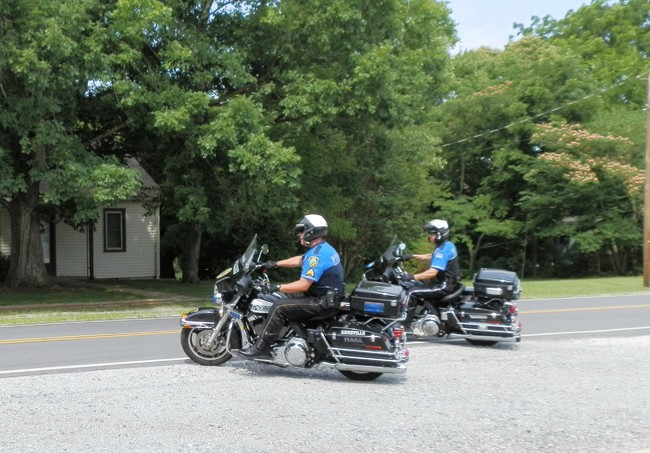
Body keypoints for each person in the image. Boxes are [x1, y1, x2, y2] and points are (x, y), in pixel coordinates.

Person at [239, 214, 344, 359]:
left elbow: (303, 285)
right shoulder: (322, 249)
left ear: (311, 231)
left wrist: (276, 287)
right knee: (279, 297)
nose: (300, 235)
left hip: (321, 301)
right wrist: (274, 264)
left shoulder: (317, 256)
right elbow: (300, 260)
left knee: (279, 307)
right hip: (325, 297)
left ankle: (262, 347)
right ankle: (285, 335)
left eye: (302, 231)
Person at [406, 219, 461, 316]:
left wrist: (411, 276)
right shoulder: (447, 245)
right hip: (449, 283)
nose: (430, 237)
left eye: (432, 234)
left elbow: (432, 273)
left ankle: (404, 322)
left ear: (440, 234)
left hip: (444, 286)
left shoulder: (442, 250)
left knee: (411, 292)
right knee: (417, 285)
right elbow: (432, 256)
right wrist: (411, 256)